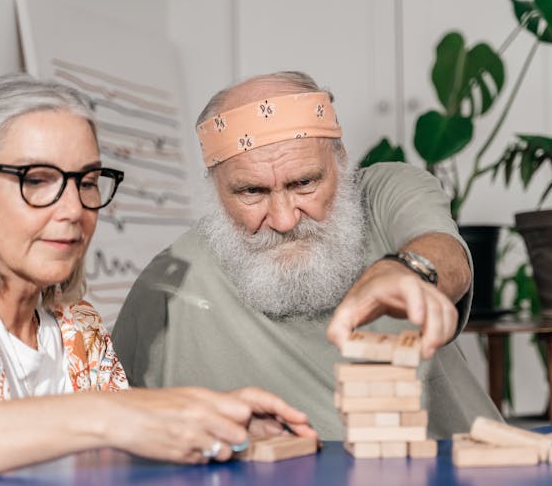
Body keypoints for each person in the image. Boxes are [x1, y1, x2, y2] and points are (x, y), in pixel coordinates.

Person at [0, 74, 316, 480]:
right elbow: (109, 420)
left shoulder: (77, 325)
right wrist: (103, 414)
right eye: (37, 180)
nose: (72, 210)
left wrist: (208, 419)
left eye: (86, 182)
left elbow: (120, 441)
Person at [113, 71, 502, 440]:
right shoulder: (166, 286)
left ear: (341, 162)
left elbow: (445, 253)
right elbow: (117, 425)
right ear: (215, 189)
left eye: (304, 183)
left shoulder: (384, 191)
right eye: (252, 192)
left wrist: (410, 272)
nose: (283, 220)